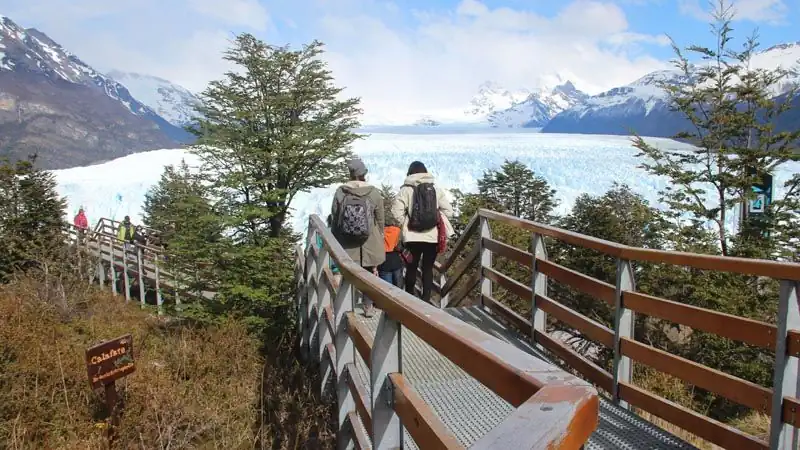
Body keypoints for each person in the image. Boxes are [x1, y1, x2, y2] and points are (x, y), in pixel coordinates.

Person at [392, 161, 453, 304]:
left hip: (412, 237)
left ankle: (409, 299)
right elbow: (449, 212)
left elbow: (396, 212)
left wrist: (406, 223)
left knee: (411, 267)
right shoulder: (435, 189)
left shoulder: (406, 190)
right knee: (427, 268)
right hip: (432, 237)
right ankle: (425, 301)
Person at [330, 158, 385, 317]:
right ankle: (368, 307)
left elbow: (335, 215)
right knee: (368, 274)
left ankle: (347, 308)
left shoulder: (341, 191)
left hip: (346, 241)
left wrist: (336, 237)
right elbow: (380, 218)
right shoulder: (373, 192)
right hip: (369, 241)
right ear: (364, 173)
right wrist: (378, 234)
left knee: (348, 273)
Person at [378, 214, 404, 289]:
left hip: (383, 263)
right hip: (396, 262)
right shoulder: (397, 231)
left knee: (387, 290)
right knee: (399, 290)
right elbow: (401, 247)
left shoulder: (380, 232)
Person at [316, 215, 342, 289]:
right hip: (339, 268)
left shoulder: (321, 234)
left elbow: (318, 249)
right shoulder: (342, 233)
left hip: (325, 266)